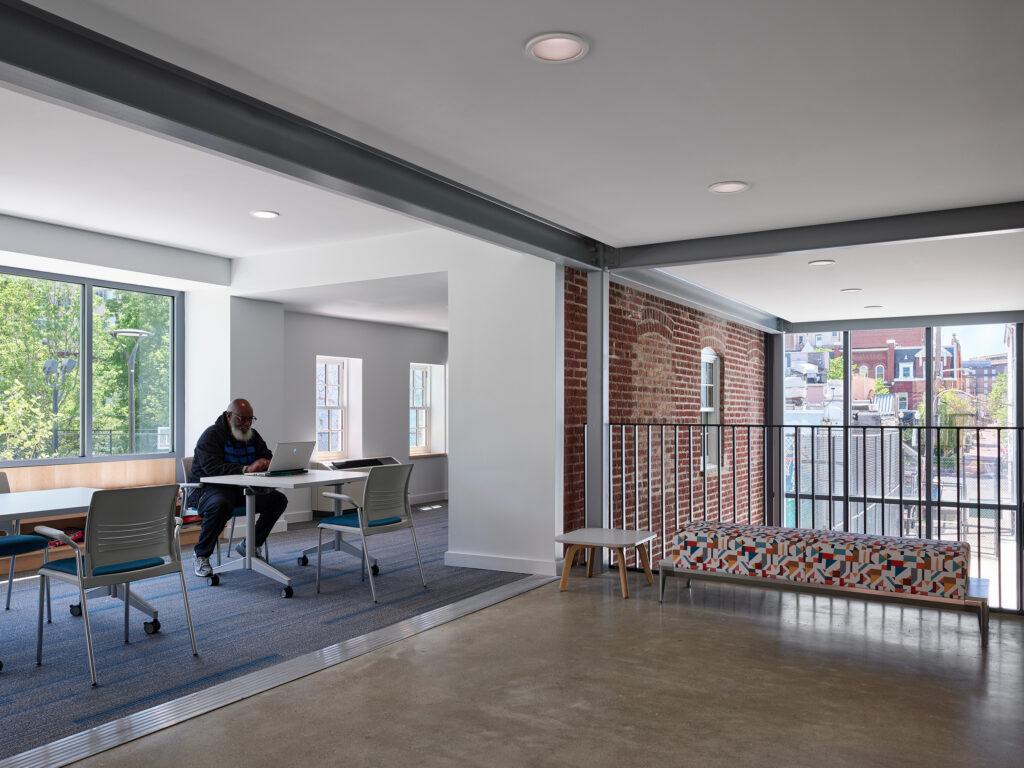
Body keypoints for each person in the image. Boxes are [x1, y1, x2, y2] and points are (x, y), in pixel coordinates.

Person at [190, 398, 287, 577]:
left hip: (240, 489)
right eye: (242, 419)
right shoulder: (211, 435)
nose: (246, 424)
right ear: (229, 416)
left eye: (250, 419)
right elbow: (213, 469)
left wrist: (270, 463)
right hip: (207, 489)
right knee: (221, 503)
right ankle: (201, 555)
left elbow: (266, 456)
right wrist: (246, 469)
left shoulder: (253, 435)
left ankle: (250, 545)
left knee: (277, 500)